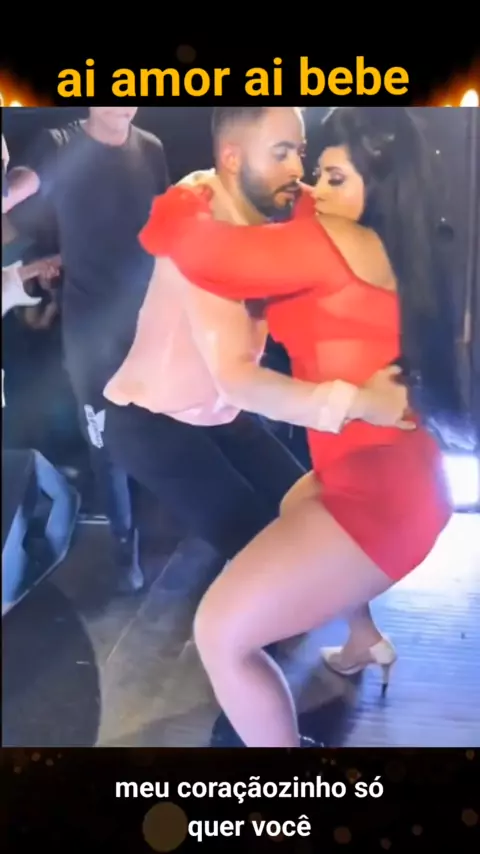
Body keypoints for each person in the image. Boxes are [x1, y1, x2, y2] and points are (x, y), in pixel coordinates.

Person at [138, 106, 465, 747]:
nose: (314, 186)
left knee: (220, 635)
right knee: (293, 504)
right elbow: (310, 210)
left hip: (384, 498)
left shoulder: (330, 242)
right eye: (315, 168)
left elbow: (196, 251)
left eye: (334, 178)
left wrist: (187, 194)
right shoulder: (387, 236)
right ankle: (365, 639)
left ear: (380, 186)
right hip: (393, 473)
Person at [104, 107, 410, 585]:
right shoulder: (200, 219)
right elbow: (237, 378)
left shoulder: (279, 205)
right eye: (281, 153)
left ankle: (357, 624)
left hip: (222, 411)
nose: (298, 170)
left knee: (317, 517)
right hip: (153, 420)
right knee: (265, 554)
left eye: (300, 153)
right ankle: (244, 627)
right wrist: (362, 403)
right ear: (233, 158)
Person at [2, 107, 170, 593]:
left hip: (152, 322)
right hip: (91, 332)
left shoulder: (150, 149)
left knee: (166, 431)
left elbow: (166, 228)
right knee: (105, 441)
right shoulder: (60, 145)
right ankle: (123, 548)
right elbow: (18, 189)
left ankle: (181, 535)